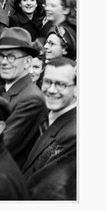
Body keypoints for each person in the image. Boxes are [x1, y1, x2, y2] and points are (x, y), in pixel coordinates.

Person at [0, 27, 48, 168]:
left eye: (11, 57)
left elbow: (0, 145)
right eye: (0, 56)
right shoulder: (5, 90)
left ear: (28, 62)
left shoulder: (31, 99)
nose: (3, 62)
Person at [22, 57, 77, 200]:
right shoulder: (48, 117)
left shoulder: (73, 136)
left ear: (76, 89)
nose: (52, 90)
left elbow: (44, 190)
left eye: (60, 84)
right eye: (47, 82)